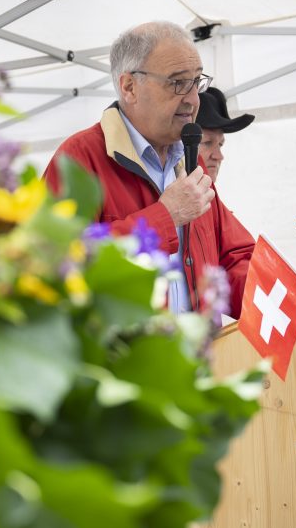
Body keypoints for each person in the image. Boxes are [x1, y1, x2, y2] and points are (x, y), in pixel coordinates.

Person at [43, 21, 255, 318]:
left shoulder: (190, 160)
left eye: (197, 82)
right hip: (130, 363)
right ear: (129, 87)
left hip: (204, 359)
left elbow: (234, 258)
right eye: (178, 83)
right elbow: (52, 264)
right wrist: (164, 218)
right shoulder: (79, 159)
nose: (193, 99)